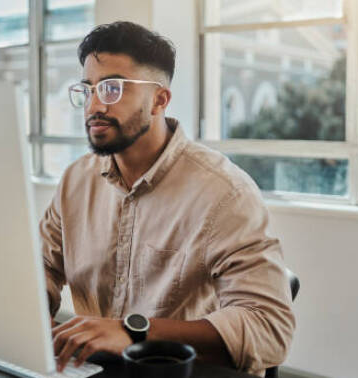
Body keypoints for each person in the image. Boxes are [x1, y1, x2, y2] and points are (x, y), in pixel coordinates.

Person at [40, 21, 295, 377]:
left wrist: (132, 331)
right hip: (92, 371)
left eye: (112, 88)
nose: (94, 105)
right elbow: (42, 267)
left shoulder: (225, 193)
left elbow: (269, 328)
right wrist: (28, 313)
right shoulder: (75, 181)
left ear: (160, 99)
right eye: (88, 89)